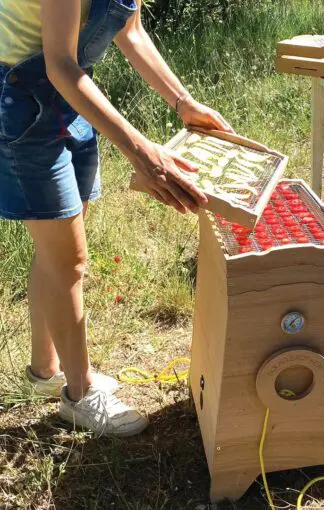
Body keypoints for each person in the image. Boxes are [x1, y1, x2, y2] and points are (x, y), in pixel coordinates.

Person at [0, 0, 233, 437]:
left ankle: (45, 370)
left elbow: (131, 30)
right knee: (68, 260)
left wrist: (183, 103)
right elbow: (60, 65)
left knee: (56, 251)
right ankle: (79, 394)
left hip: (71, 99)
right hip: (26, 101)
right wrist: (142, 151)